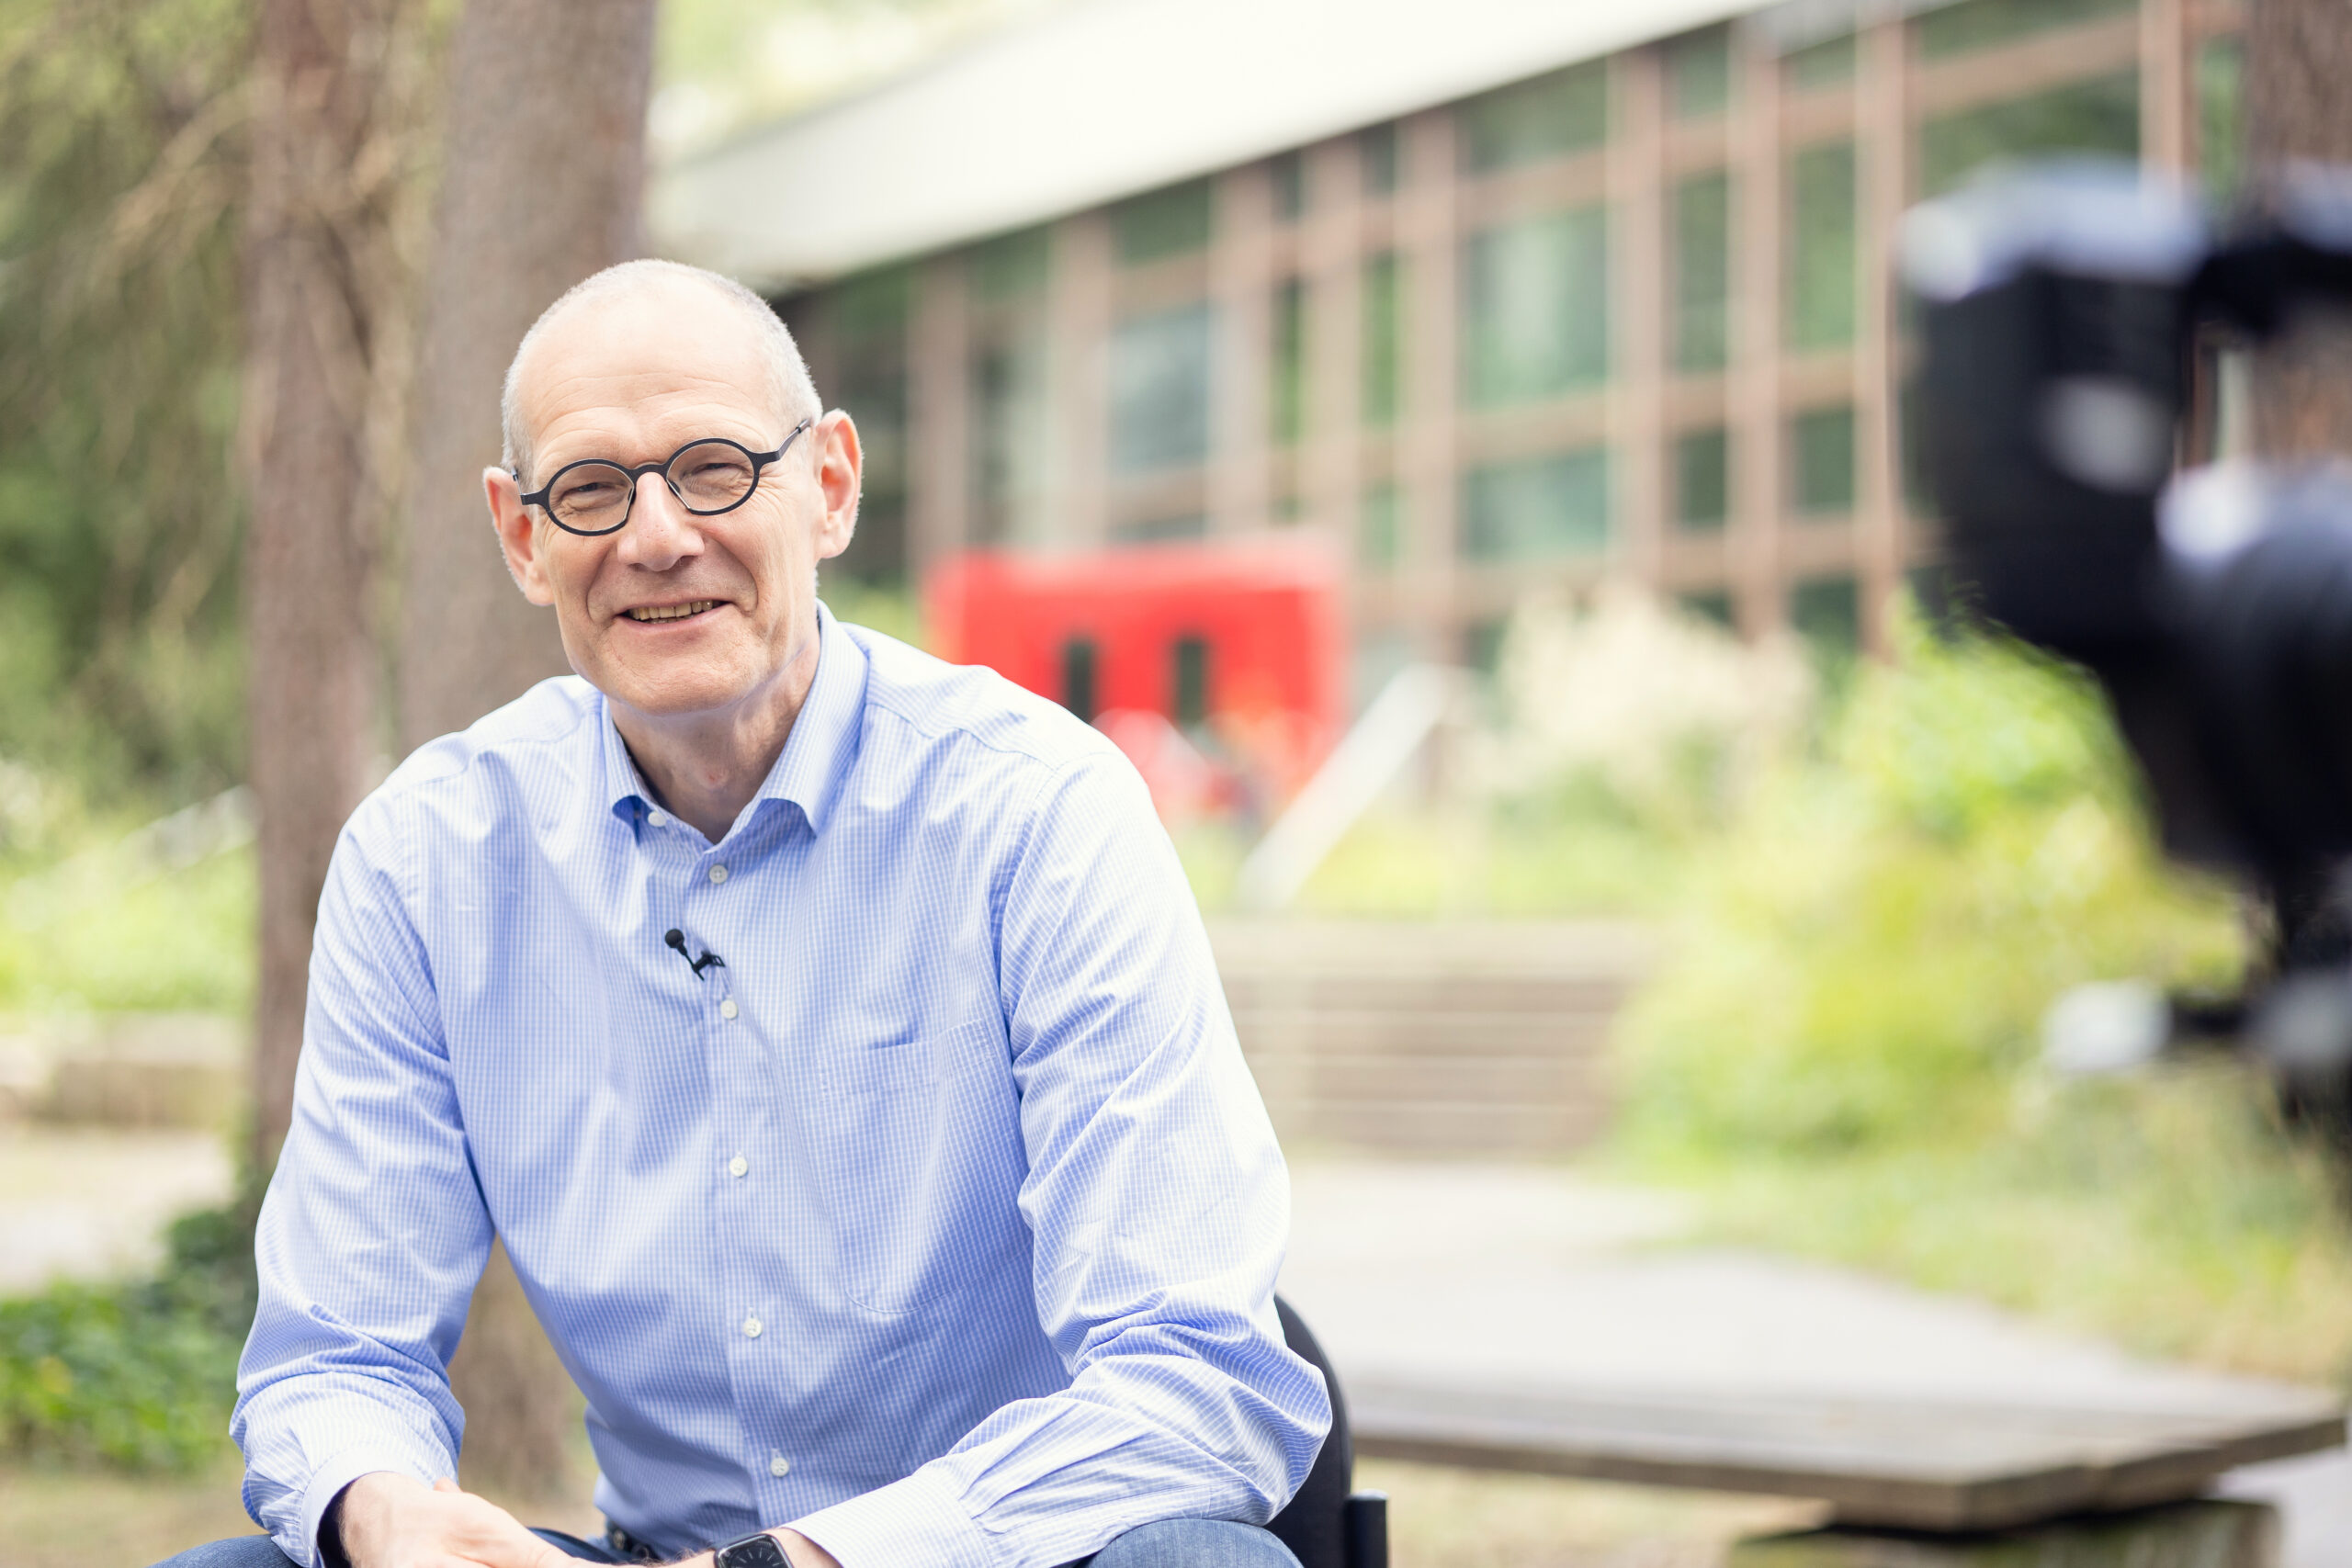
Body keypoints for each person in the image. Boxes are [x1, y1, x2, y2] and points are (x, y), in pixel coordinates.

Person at [161, 259, 1329, 1568]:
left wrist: (799, 1564)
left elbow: (1195, 1381)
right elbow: (336, 1352)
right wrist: (389, 1516)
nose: (656, 537)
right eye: (592, 488)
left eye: (715, 467)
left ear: (828, 485)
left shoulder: (1040, 816)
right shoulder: (428, 863)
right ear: (520, 536)